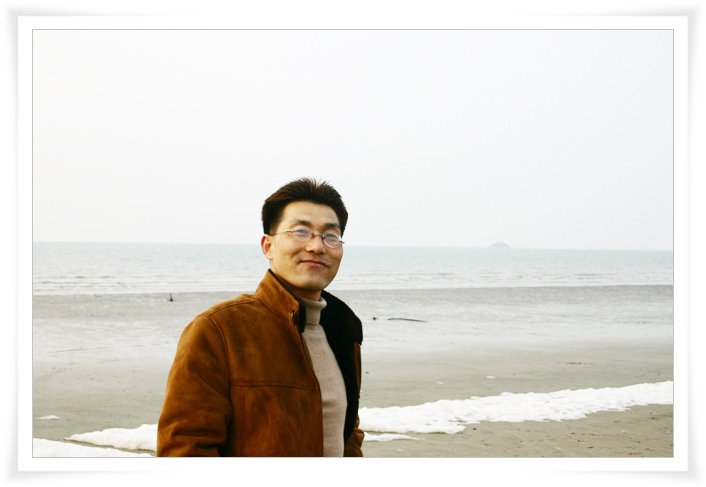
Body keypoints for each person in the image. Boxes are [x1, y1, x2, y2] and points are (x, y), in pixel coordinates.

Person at [157, 178, 364, 457]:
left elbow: (347, 435)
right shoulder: (218, 329)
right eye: (301, 231)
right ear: (268, 246)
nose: (317, 246)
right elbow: (185, 451)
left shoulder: (342, 332)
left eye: (330, 235)